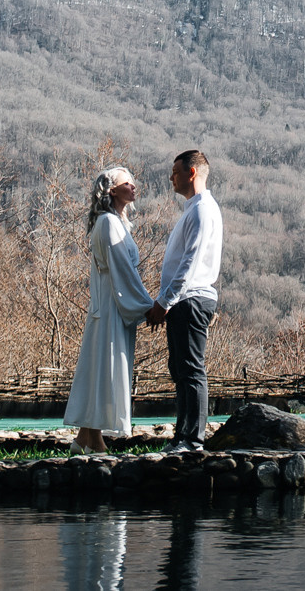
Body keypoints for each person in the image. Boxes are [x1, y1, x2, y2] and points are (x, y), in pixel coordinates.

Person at [64, 165, 155, 452]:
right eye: (127, 183)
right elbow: (122, 270)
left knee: (100, 368)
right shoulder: (107, 224)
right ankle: (92, 441)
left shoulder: (117, 223)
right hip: (110, 306)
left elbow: (124, 270)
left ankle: (87, 438)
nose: (133, 187)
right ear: (112, 190)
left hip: (113, 305)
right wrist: (148, 306)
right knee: (102, 368)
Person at [142, 149, 223, 453]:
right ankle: (182, 437)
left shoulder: (202, 210)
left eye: (175, 172)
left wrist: (165, 301)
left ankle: (192, 439)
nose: (170, 178)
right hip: (183, 300)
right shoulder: (195, 209)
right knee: (180, 368)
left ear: (191, 173)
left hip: (190, 299)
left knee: (190, 369)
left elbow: (189, 264)